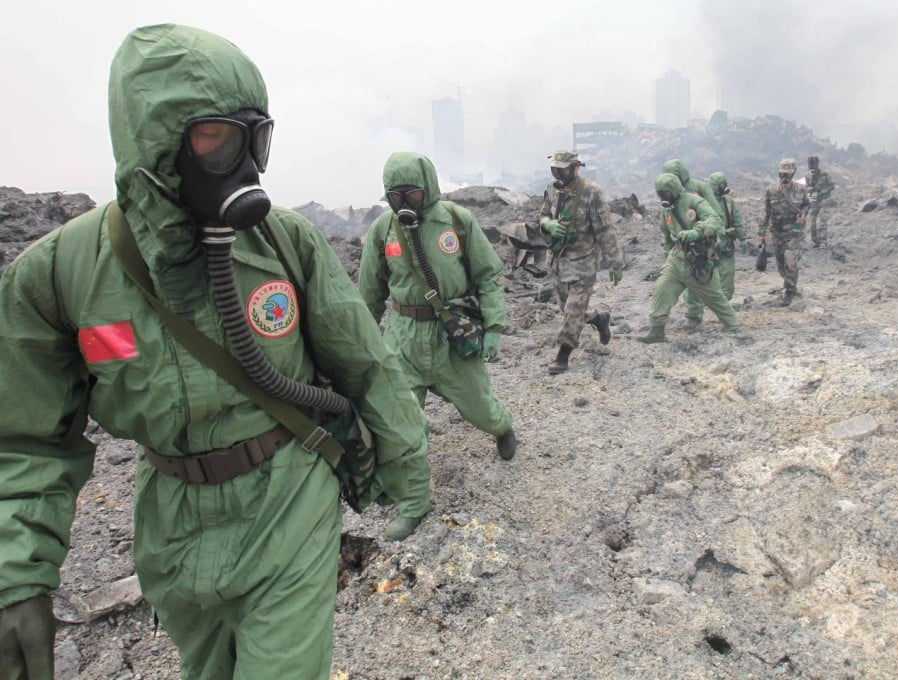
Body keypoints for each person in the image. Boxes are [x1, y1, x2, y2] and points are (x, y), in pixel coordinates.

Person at [0, 24, 431, 679]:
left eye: (256, 138)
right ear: (154, 136)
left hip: (287, 499)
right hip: (171, 520)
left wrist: (407, 473)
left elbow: (365, 364)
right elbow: (26, 441)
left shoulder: (285, 244)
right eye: (220, 137)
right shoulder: (58, 276)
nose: (247, 164)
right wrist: (16, 576)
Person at [359, 151, 517, 461]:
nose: (405, 202)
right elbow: (369, 292)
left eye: (414, 194)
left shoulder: (457, 221)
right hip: (403, 338)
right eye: (396, 196)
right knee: (402, 418)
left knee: (480, 407)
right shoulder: (383, 230)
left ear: (428, 189)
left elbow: (489, 274)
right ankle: (413, 490)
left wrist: (495, 326)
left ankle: (503, 427)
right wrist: (363, 343)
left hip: (452, 332)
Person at [538, 150, 624, 375]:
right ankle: (599, 318)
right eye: (555, 169)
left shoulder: (590, 192)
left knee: (573, 311)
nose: (558, 173)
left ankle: (563, 356)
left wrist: (616, 263)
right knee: (569, 309)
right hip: (558, 261)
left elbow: (605, 230)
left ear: (575, 168)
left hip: (583, 263)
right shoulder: (551, 190)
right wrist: (548, 225)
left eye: (563, 169)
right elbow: (543, 215)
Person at [637, 173, 740, 343]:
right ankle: (657, 330)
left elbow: (714, 220)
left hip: (698, 261)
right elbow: (666, 234)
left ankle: (733, 327)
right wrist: (668, 252)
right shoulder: (666, 210)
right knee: (662, 291)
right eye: (660, 193)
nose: (663, 197)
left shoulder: (695, 201)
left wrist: (697, 232)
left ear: (674, 190)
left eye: (666, 193)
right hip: (677, 259)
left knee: (716, 298)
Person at [683, 171, 748, 327]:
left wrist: (743, 237)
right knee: (698, 279)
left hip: (725, 245)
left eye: (724, 183)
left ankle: (722, 311)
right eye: (721, 184)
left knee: (726, 279)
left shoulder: (728, 203)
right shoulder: (700, 202)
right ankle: (694, 314)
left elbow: (737, 221)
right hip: (706, 246)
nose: (723, 187)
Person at [758, 158, 810, 305]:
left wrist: (803, 214)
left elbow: (807, 204)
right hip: (777, 232)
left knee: (790, 260)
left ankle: (790, 290)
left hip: (794, 233)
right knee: (781, 264)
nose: (784, 177)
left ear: (793, 173)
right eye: (782, 174)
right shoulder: (771, 191)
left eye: (787, 174)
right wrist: (761, 234)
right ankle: (788, 283)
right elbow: (766, 212)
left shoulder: (800, 190)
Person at [805, 155, 836, 247]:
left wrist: (822, 191)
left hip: (824, 199)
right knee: (813, 220)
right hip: (814, 199)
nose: (812, 166)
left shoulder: (825, 174)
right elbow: (807, 186)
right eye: (810, 164)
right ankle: (815, 241)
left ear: (817, 164)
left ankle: (822, 241)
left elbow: (832, 186)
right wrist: (810, 190)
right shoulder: (808, 175)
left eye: (813, 164)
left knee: (822, 220)